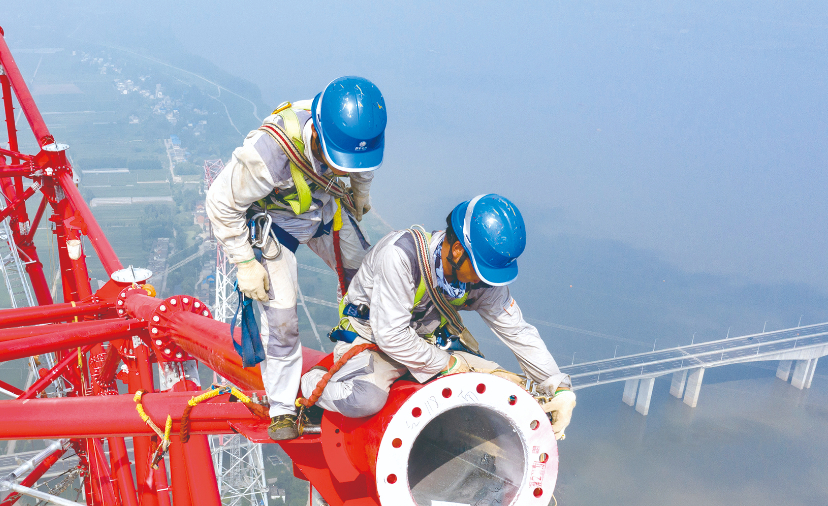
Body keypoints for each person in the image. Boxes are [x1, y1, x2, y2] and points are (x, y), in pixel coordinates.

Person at [300, 194, 577, 439]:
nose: (485, 283)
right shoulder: (400, 256)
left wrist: (558, 387)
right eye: (481, 272)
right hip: (373, 340)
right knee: (363, 400)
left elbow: (518, 331)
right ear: (457, 251)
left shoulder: (480, 279)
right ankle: (313, 381)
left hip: (427, 342)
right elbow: (391, 336)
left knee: (501, 390)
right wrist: (447, 363)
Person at [206, 76, 387, 440]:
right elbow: (220, 203)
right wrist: (245, 261)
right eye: (340, 161)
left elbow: (362, 165)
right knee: (283, 318)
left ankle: (365, 356)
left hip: (322, 210)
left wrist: (358, 191)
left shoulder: (355, 135)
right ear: (318, 136)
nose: (345, 167)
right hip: (278, 224)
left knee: (369, 278)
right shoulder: (268, 153)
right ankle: (284, 408)